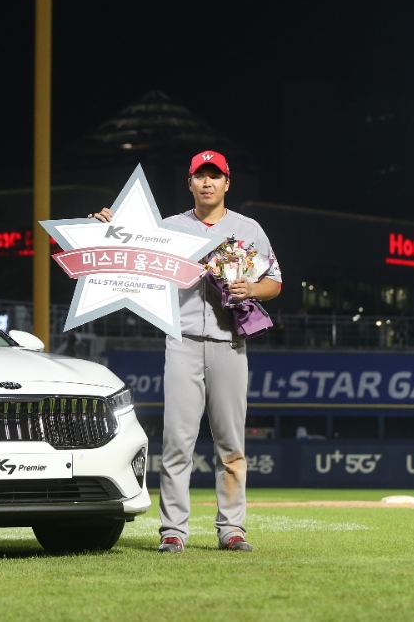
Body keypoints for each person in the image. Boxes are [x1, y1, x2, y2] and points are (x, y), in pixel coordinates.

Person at [91, 150, 281, 553]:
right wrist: (106, 229)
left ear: (228, 183)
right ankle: (173, 530)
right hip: (182, 343)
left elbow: (275, 282)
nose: (208, 182)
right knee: (178, 441)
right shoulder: (170, 227)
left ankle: (232, 529)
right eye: (201, 176)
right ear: (190, 183)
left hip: (231, 343)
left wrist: (253, 288)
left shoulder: (249, 229)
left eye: (216, 176)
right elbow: (131, 252)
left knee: (231, 443)